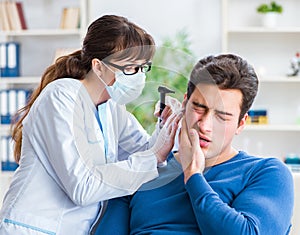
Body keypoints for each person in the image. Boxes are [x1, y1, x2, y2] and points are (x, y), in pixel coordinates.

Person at [0, 15, 182, 234]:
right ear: (98, 66)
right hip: (33, 228)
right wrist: (154, 156)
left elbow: (146, 154)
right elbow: (82, 187)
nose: (139, 77)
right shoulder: (61, 97)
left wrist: (165, 125)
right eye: (131, 69)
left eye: (144, 68)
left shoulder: (112, 107)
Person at [95, 54, 294, 235]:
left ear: (240, 124)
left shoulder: (266, 172)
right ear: (184, 104)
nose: (205, 126)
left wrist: (193, 175)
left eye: (222, 117)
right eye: (199, 108)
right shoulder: (143, 169)